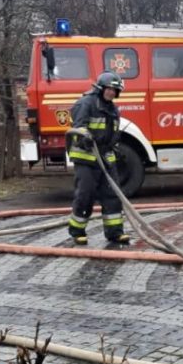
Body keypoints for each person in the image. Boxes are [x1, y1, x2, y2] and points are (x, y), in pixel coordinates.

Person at [65, 71, 130, 245]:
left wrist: (114, 146)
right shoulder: (86, 103)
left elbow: (111, 132)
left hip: (106, 156)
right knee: (86, 194)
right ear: (101, 88)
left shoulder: (112, 109)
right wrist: (85, 138)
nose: (111, 93)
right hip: (86, 156)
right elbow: (79, 127)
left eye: (114, 90)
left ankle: (115, 232)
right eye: (108, 89)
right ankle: (77, 231)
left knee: (113, 194)